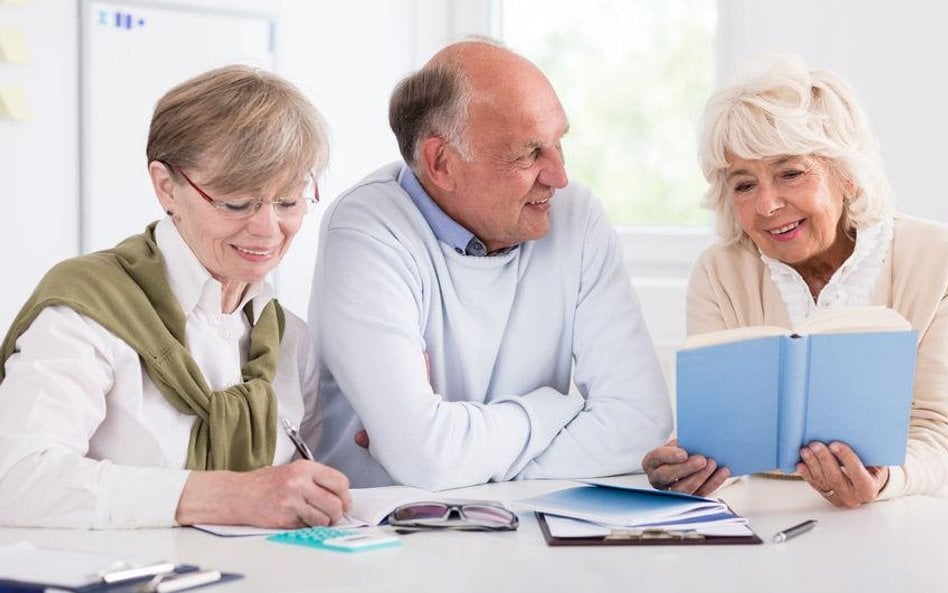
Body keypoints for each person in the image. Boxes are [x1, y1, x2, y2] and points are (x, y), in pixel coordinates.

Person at [309, 38, 672, 490]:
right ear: (440, 162)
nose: (558, 176)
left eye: (560, 143)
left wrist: (458, 457)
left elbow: (641, 423)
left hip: (527, 530)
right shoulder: (367, 228)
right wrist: (555, 408)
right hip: (386, 534)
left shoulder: (575, 217)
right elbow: (426, 459)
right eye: (528, 153)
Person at [0, 65, 351, 528]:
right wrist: (228, 496)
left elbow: (302, 486)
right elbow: (18, 481)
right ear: (167, 186)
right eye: (236, 202)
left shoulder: (288, 339)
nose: (268, 228)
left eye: (288, 202)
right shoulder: (87, 310)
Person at [642, 54, 948, 508]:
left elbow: (937, 430)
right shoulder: (718, 272)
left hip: (895, 518)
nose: (767, 205)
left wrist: (884, 480)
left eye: (790, 173)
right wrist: (688, 463)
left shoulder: (934, 258)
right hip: (758, 515)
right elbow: (716, 426)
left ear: (846, 176)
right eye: (744, 184)